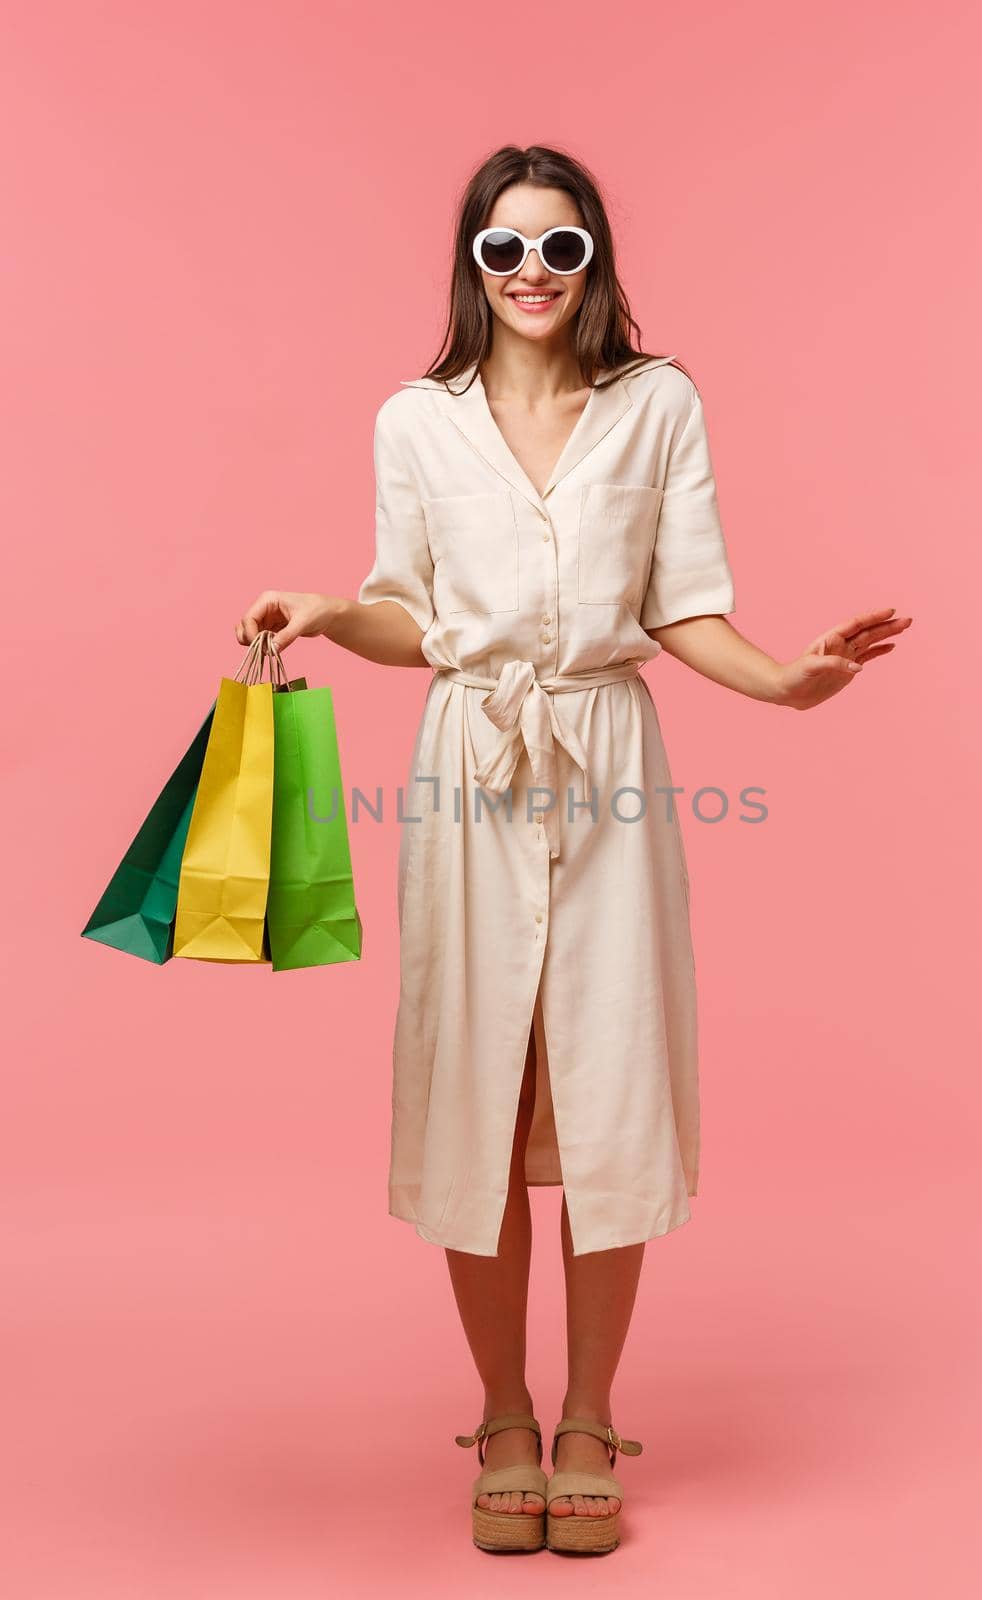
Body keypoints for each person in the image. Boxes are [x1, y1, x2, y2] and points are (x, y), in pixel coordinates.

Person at [236, 143, 912, 1556]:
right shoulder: (416, 422)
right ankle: (500, 1412)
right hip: (469, 765)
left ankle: (592, 1413)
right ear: (470, 268)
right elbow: (409, 618)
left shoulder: (657, 405)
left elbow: (681, 605)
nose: (532, 275)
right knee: (476, 1084)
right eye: (504, 251)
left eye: (559, 249)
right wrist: (321, 603)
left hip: (607, 760)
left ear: (594, 261)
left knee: (608, 1082)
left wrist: (788, 682)